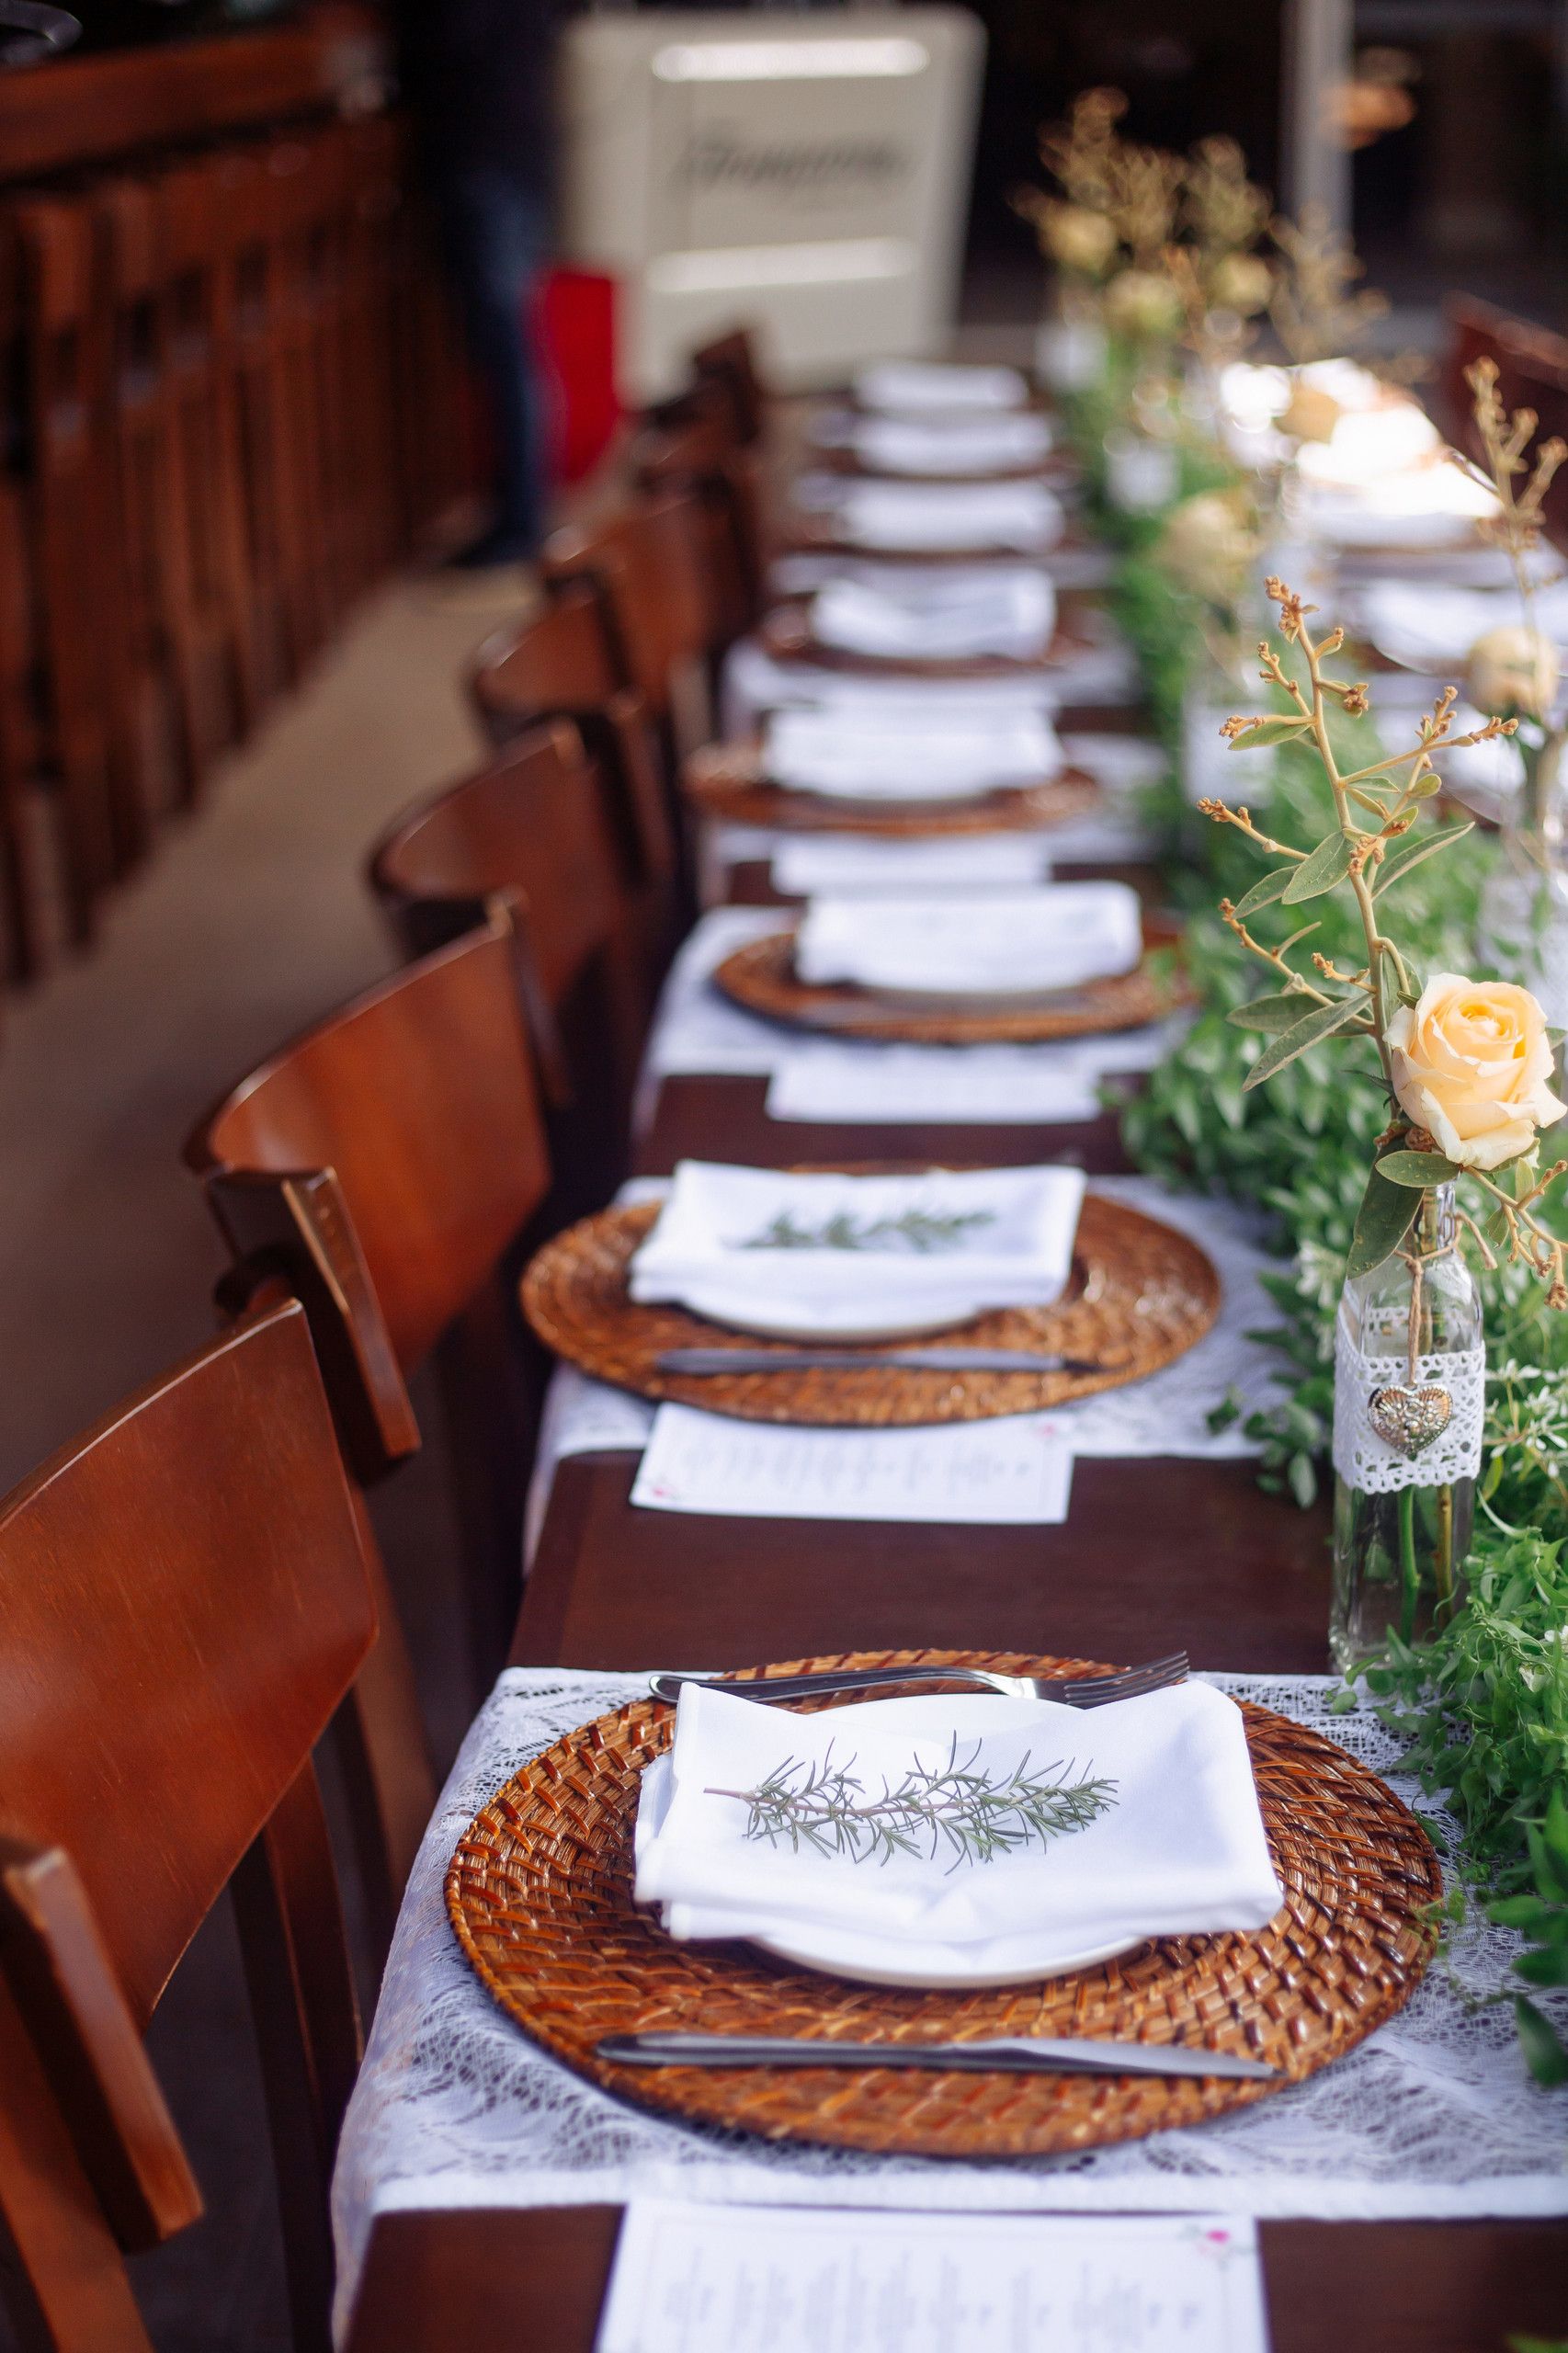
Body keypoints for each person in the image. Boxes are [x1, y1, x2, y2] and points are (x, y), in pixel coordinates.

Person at [399, 0, 561, 569]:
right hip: (513, 150)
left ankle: (521, 518)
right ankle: (522, 510)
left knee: (509, 346)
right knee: (513, 345)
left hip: (485, 155)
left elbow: (449, 45)